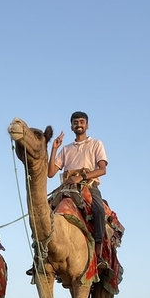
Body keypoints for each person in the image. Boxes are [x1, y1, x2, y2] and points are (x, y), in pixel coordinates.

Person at [48, 111, 109, 269]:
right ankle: (41, 255)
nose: (79, 125)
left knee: (99, 211)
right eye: (76, 122)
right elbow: (50, 173)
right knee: (44, 211)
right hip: (67, 188)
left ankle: (99, 253)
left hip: (88, 185)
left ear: (87, 125)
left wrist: (81, 177)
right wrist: (54, 149)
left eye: (82, 122)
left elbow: (102, 170)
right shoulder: (66, 149)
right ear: (72, 126)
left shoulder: (96, 144)